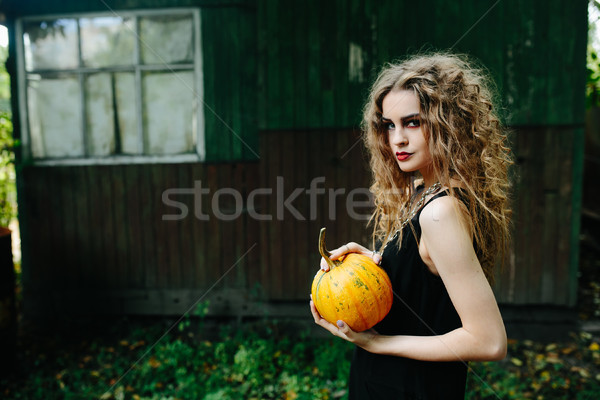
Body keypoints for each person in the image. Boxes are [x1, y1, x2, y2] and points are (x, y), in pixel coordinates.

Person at [309, 52, 512, 399]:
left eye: (413, 122)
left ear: (449, 122)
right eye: (389, 125)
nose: (397, 139)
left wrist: (377, 343)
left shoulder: (440, 211)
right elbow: (427, 287)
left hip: (411, 388)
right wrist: (375, 262)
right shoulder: (427, 192)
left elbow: (488, 341)